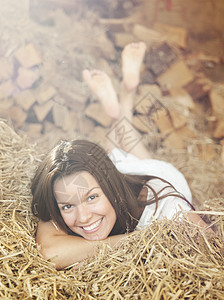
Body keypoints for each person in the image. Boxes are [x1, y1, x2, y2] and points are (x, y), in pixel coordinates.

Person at [31, 42, 212, 270]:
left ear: (110, 187)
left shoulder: (168, 211)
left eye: (92, 198)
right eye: (67, 207)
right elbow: (49, 252)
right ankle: (118, 107)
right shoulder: (66, 192)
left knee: (129, 152)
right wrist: (139, 239)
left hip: (156, 177)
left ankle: (126, 96)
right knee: (110, 157)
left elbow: (212, 246)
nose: (84, 217)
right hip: (116, 176)